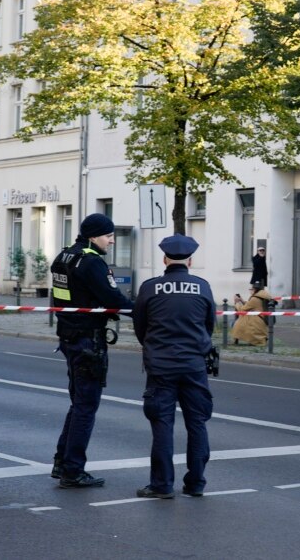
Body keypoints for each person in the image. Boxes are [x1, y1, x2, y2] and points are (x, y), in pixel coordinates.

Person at [50, 213, 134, 489]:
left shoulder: (63, 258)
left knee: (78, 404)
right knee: (86, 406)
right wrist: (146, 312)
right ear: (93, 236)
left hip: (69, 337)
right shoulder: (91, 263)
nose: (111, 240)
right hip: (88, 340)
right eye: (108, 235)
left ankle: (62, 462)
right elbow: (114, 300)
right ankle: (73, 470)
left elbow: (63, 298)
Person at [132, 234, 216, 499]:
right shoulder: (202, 287)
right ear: (190, 261)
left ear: (164, 259)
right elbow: (209, 326)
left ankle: (161, 485)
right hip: (194, 366)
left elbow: (140, 327)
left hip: (160, 367)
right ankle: (196, 483)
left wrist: (154, 346)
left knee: (162, 425)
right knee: (197, 424)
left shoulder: (149, 287)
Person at [231, 280, 272, 346]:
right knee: (241, 321)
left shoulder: (255, 298)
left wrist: (236, 302)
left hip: (257, 320)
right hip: (262, 319)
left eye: (251, 289)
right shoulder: (263, 295)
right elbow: (252, 306)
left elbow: (242, 310)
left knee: (238, 322)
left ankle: (237, 337)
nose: (250, 291)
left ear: (254, 289)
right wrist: (241, 300)